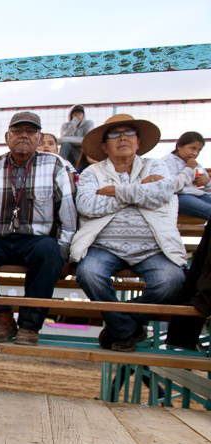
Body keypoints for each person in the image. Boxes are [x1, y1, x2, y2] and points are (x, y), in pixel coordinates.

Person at [72, 114, 186, 352]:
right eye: (114, 134)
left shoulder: (156, 165)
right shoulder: (91, 173)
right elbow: (87, 205)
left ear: (138, 141)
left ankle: (119, 325)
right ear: (104, 146)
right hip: (104, 246)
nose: (122, 137)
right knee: (89, 274)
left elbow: (163, 192)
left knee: (171, 281)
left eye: (129, 133)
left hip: (154, 247)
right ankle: (127, 329)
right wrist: (139, 192)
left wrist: (114, 192)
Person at [0, 112, 77, 346]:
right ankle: (1, 316)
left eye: (31, 132)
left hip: (36, 241)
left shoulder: (56, 165)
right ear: (7, 137)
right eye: (18, 131)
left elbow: (68, 213)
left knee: (51, 250)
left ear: (39, 138)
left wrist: (66, 253)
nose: (24, 136)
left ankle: (29, 325)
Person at [161, 132, 211, 219]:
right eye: (192, 148)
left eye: (199, 150)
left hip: (199, 195)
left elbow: (205, 189)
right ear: (179, 146)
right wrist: (188, 169)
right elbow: (171, 186)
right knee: (209, 210)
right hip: (178, 196)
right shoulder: (168, 161)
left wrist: (207, 182)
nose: (195, 153)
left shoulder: (196, 165)